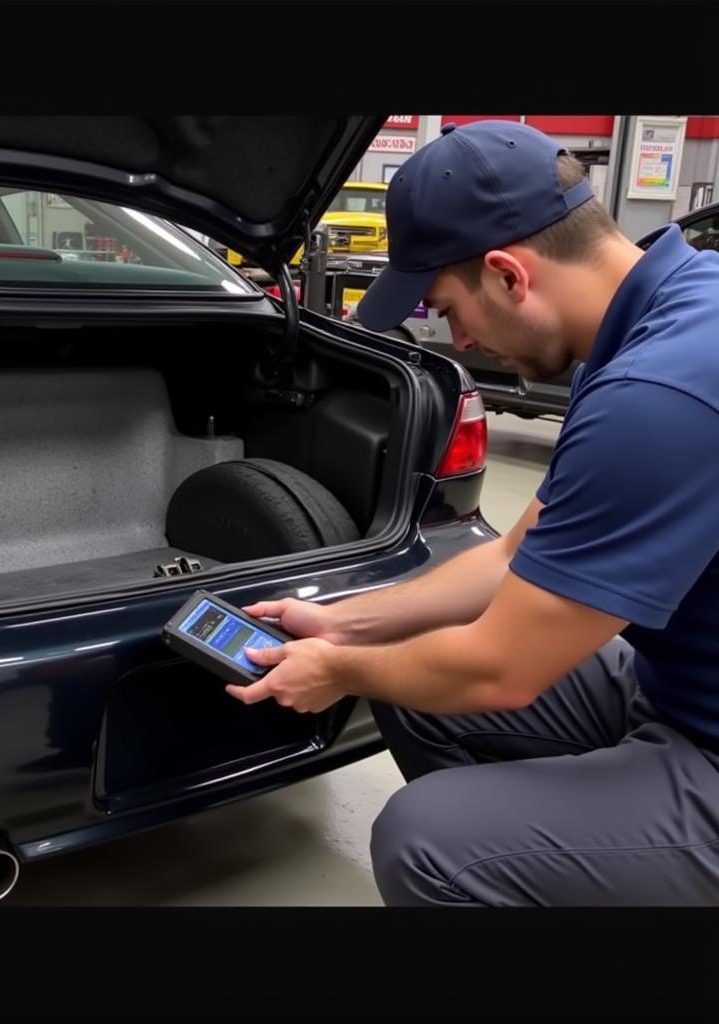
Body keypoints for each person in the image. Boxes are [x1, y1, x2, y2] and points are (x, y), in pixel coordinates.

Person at [227, 120, 719, 906]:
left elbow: (502, 671)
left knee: (430, 844)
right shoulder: (652, 320)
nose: (455, 336)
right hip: (679, 692)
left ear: (508, 275)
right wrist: (350, 623)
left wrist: (337, 671)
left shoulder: (656, 396)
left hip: (708, 749)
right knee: (413, 661)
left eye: (448, 307)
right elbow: (512, 553)